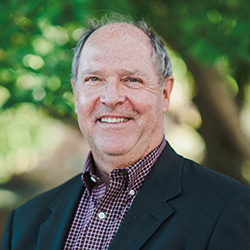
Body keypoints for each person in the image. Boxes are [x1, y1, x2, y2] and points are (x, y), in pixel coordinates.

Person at [1, 14, 250, 250]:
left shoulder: (229, 210)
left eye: (132, 79)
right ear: (76, 95)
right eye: (94, 79)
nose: (111, 98)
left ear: (165, 93)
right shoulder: (24, 223)